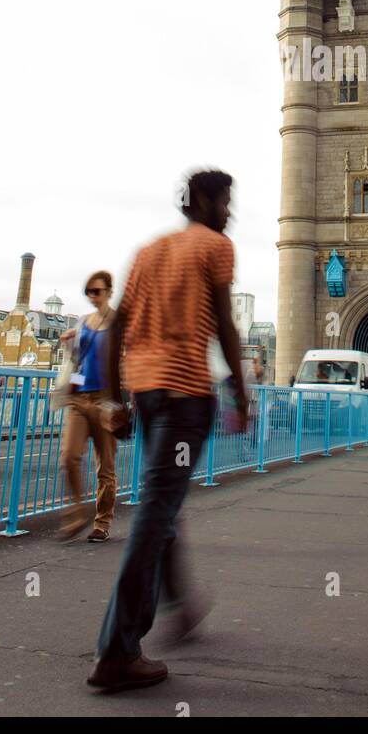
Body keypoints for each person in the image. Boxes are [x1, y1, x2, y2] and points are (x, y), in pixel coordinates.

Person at [87, 168, 248, 693]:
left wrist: (115, 399)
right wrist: (241, 393)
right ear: (203, 199)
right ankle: (117, 651)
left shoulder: (150, 250)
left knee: (163, 501)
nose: (229, 210)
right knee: (157, 509)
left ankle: (179, 603)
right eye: (225, 200)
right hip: (184, 398)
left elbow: (117, 329)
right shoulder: (216, 247)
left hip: (148, 395)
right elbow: (224, 324)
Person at [55, 271, 119, 543]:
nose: (92, 296)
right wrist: (69, 344)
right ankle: (78, 511)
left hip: (106, 401)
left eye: (97, 291)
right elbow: (78, 360)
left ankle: (102, 523)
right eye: (89, 292)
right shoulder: (82, 323)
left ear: (109, 292)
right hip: (79, 398)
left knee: (105, 468)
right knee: (68, 457)